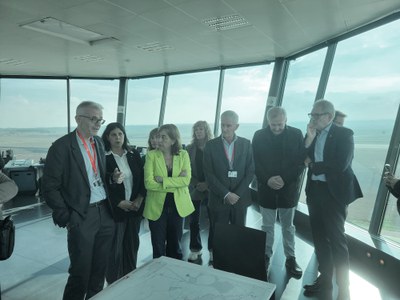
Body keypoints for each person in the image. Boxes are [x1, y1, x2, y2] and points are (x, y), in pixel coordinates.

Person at [42, 101, 116, 300]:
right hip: (82, 216)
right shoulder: (61, 147)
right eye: (93, 118)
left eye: (100, 119)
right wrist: (68, 217)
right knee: (80, 273)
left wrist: (111, 177)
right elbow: (49, 187)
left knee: (99, 271)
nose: (98, 123)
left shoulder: (99, 143)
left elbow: (96, 175)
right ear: (78, 119)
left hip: (105, 214)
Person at [303, 99, 363, 299]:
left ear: (329, 116)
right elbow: (302, 157)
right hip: (315, 192)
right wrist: (309, 139)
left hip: (334, 194)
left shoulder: (345, 134)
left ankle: (344, 288)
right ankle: (325, 280)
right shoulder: (313, 133)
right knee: (320, 240)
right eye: (311, 114)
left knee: (337, 241)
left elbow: (340, 164)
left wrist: (314, 166)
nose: (312, 118)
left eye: (316, 115)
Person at [252, 107, 305, 278]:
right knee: (267, 226)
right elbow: (254, 162)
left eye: (280, 124)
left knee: (288, 227)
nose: (276, 128)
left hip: (288, 189)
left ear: (286, 120)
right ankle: (266, 256)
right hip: (266, 189)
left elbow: (300, 162)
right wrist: (267, 179)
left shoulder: (297, 135)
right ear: (268, 121)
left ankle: (291, 258)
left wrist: (285, 179)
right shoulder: (259, 136)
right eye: (273, 125)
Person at [203, 110, 254, 262]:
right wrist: (226, 194)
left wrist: (236, 194)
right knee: (216, 230)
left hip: (240, 198)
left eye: (228, 125)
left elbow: (250, 171)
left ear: (236, 126)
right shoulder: (211, 145)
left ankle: (235, 257)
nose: (224, 129)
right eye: (222, 125)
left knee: (239, 229)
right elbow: (209, 174)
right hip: (219, 198)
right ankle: (215, 257)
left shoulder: (246, 144)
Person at [101, 122, 146, 284]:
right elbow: (101, 184)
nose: (117, 137)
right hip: (115, 210)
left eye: (120, 134)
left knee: (131, 246)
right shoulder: (103, 157)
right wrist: (119, 202)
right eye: (113, 134)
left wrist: (139, 199)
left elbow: (143, 180)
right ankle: (113, 283)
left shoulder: (133, 154)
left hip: (134, 209)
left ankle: (130, 280)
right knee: (114, 250)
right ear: (107, 137)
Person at [143, 124, 194, 259]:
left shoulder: (183, 154)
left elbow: (186, 181)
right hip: (156, 207)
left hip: (178, 207)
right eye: (158, 137)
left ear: (173, 140)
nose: (158, 140)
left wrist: (163, 180)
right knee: (158, 248)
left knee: (175, 248)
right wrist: (176, 182)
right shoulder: (151, 155)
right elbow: (149, 184)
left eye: (163, 137)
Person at [186, 121, 213, 262]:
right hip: (195, 187)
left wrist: (208, 184)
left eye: (201, 129)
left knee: (213, 220)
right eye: (196, 129)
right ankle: (195, 249)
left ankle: (213, 250)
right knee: (193, 220)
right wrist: (197, 184)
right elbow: (186, 169)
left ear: (206, 130)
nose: (198, 131)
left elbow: (218, 168)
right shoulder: (190, 148)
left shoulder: (214, 146)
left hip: (212, 188)